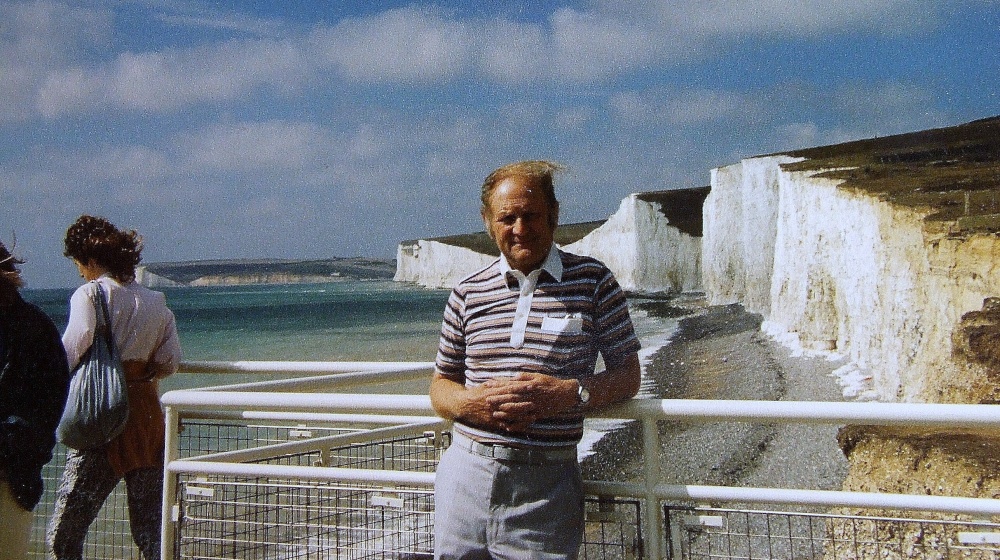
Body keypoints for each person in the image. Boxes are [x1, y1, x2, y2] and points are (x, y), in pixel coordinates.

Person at [430, 160, 642, 559]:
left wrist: (569, 394)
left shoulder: (594, 282)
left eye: (531, 215)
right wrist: (471, 404)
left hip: (547, 485)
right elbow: (441, 386)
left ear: (554, 215)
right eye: (507, 217)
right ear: (488, 222)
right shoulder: (467, 291)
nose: (520, 228)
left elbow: (628, 376)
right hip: (465, 478)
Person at [48, 216, 182, 560]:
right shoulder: (157, 301)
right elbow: (169, 361)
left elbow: (72, 348)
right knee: (152, 534)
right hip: (147, 420)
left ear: (92, 261)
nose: (79, 272)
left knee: (64, 534)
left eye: (79, 264)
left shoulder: (90, 294)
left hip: (102, 419)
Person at [0, 241, 71, 560]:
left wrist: (18, 454)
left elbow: (47, 406)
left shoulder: (33, 329)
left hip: (11, 475)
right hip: (16, 473)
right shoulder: (37, 326)